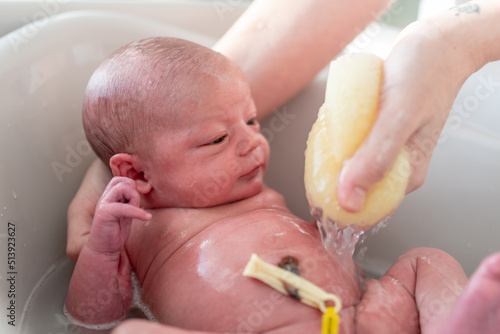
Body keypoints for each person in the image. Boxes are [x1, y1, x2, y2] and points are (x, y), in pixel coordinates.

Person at [65, 36, 500, 334]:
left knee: (427, 260)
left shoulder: (257, 194)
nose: (253, 141)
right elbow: (90, 317)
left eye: (251, 120)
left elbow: (333, 242)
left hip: (368, 313)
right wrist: (101, 251)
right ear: (138, 174)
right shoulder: (136, 226)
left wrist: (344, 210)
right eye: (218, 139)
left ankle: (458, 324)